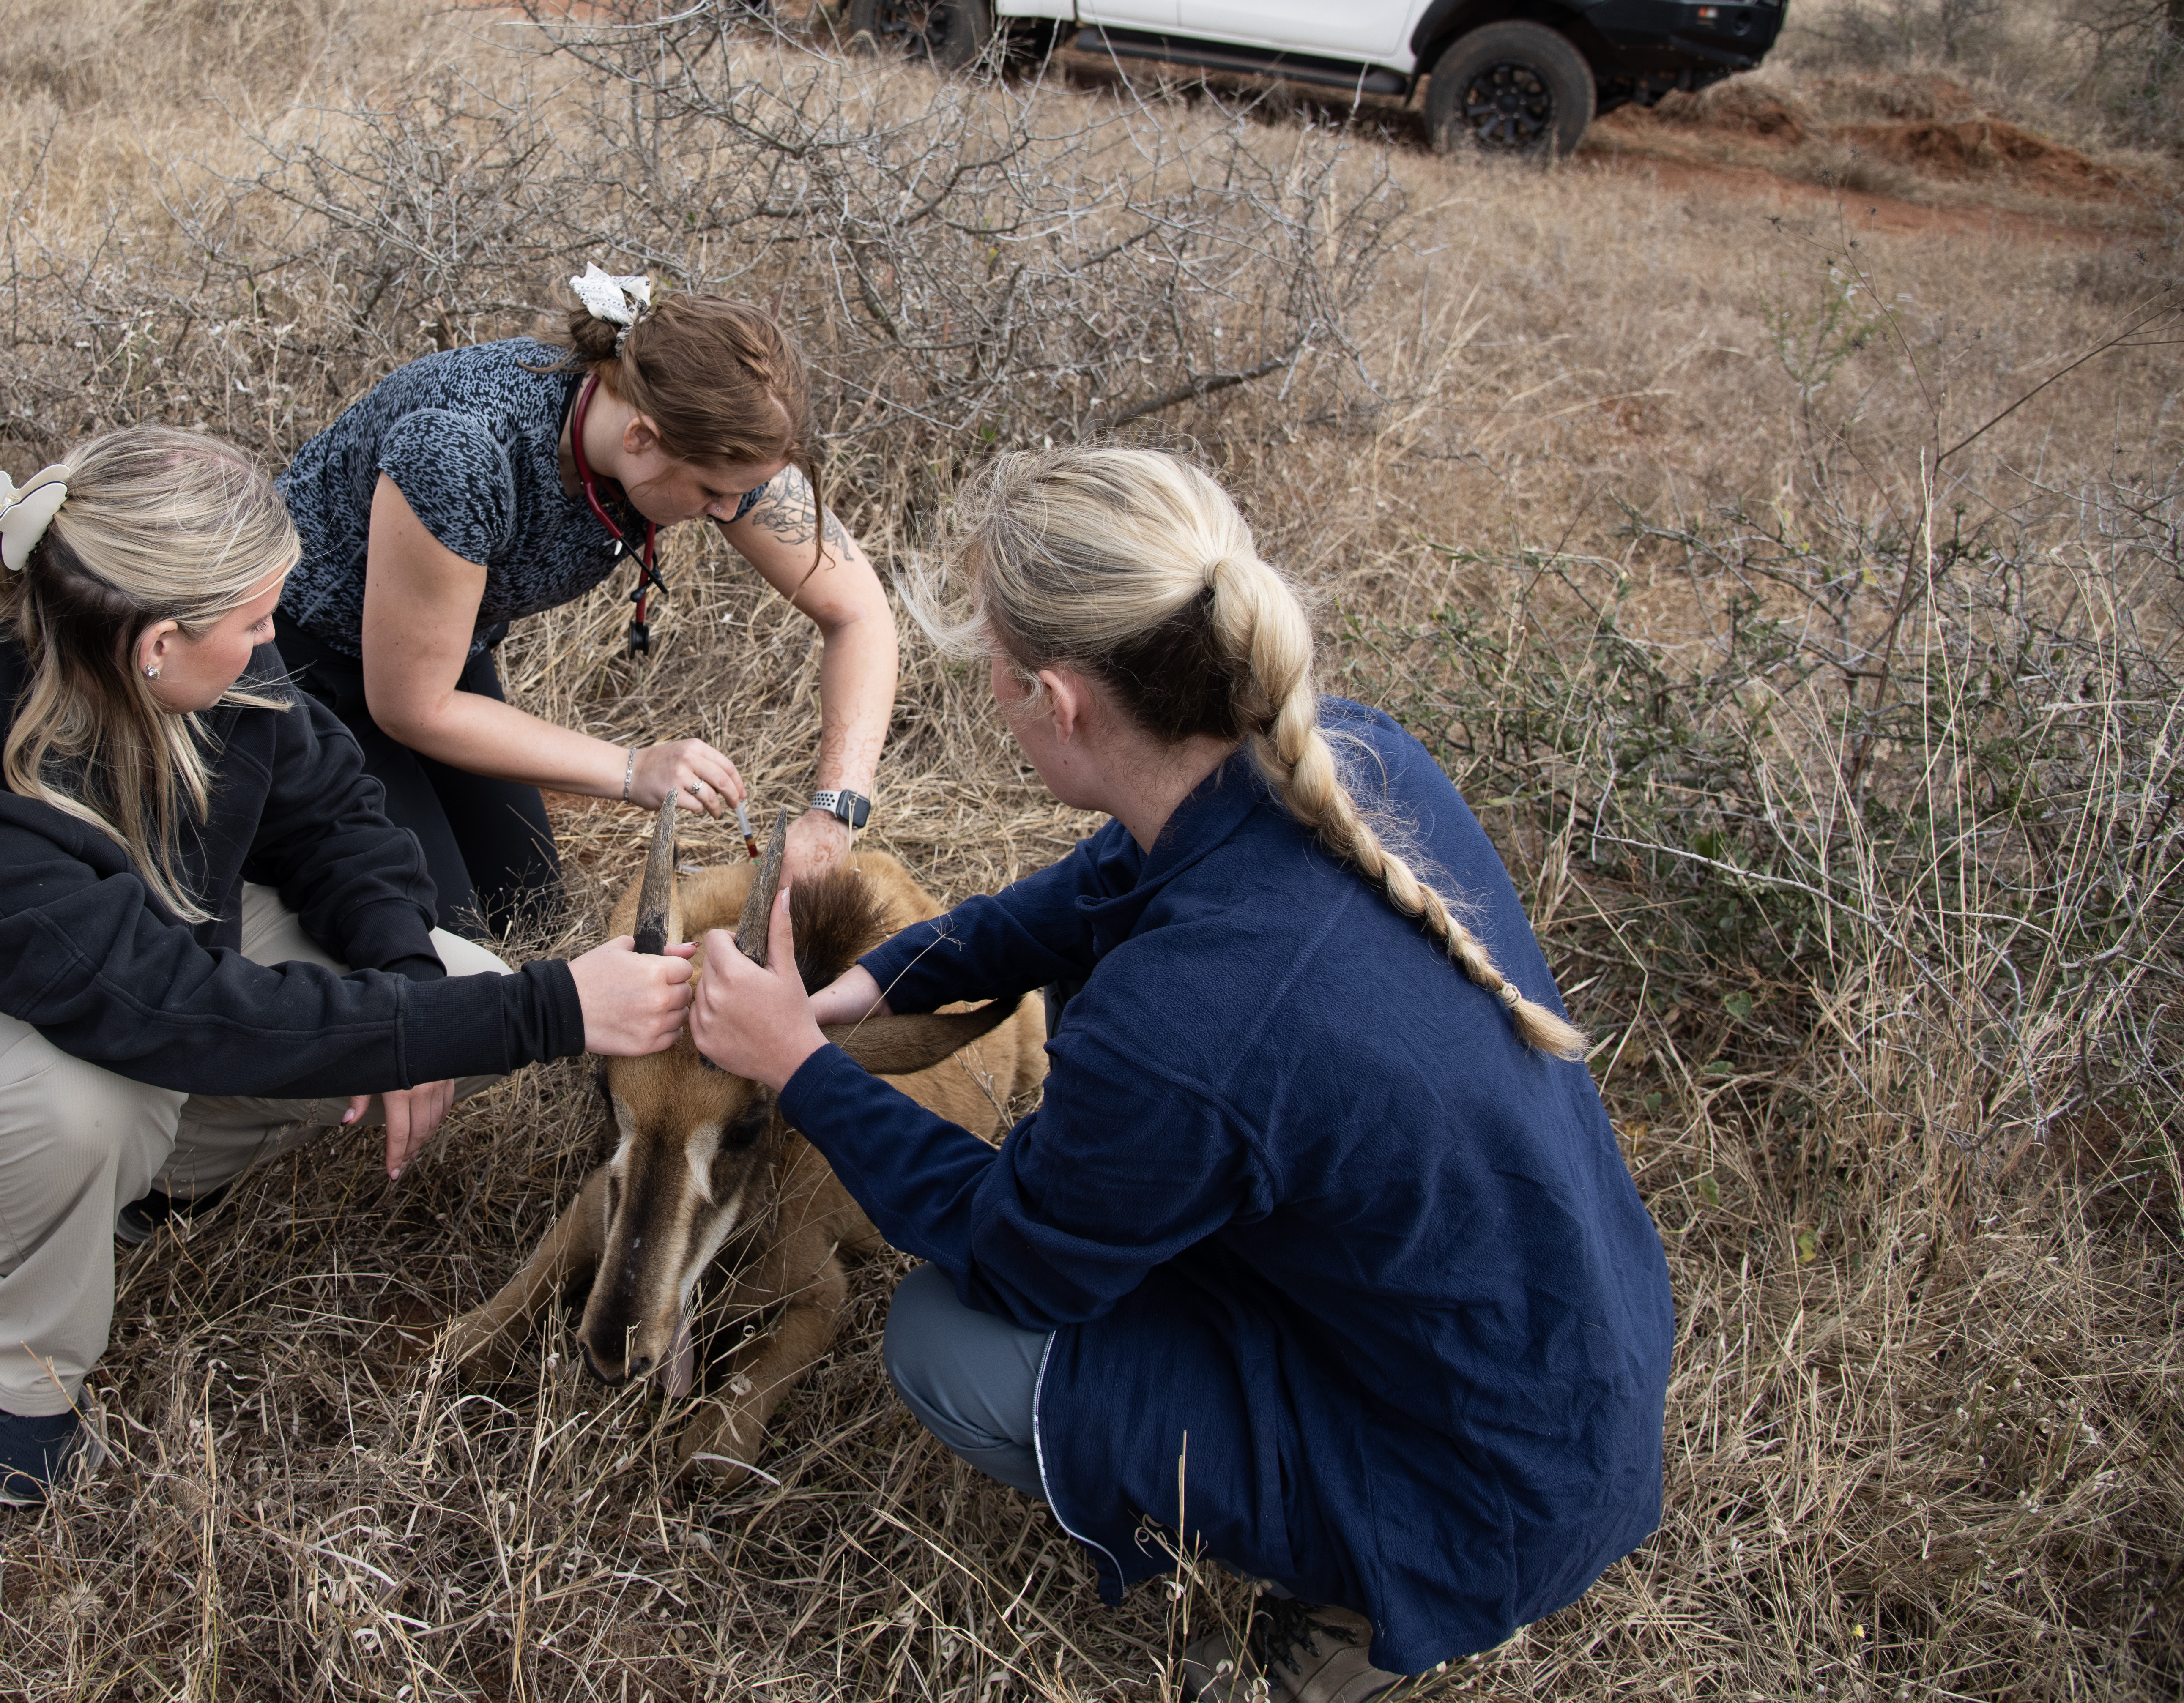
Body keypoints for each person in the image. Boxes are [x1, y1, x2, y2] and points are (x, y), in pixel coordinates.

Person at [690, 448, 1673, 1702]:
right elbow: (1110, 875)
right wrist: (895, 973)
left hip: (1478, 1489)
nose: (987, 695)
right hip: (1573, 1367)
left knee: (944, 1333)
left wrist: (792, 1065)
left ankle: (1354, 1620)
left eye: (990, 671)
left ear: (1056, 699)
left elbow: (1016, 1253)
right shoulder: (1349, 754)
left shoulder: (1185, 1019)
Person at [0, 427, 697, 1506]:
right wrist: (550, 1005)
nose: (272, 636)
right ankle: (22, 1382)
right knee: (76, 1101)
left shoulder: (210, 660)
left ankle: (158, 1184)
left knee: (447, 981)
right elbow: (167, 1011)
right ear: (154, 645)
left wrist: (414, 989)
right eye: (254, 621)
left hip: (161, 938)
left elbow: (336, 818)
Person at [271, 272, 897, 941]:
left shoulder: (703, 435)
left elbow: (859, 615)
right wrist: (633, 770)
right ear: (642, 438)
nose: (727, 511)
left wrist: (835, 813)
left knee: (529, 912)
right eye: (714, 492)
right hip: (303, 660)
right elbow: (410, 707)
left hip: (439, 654)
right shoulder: (464, 450)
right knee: (440, 934)